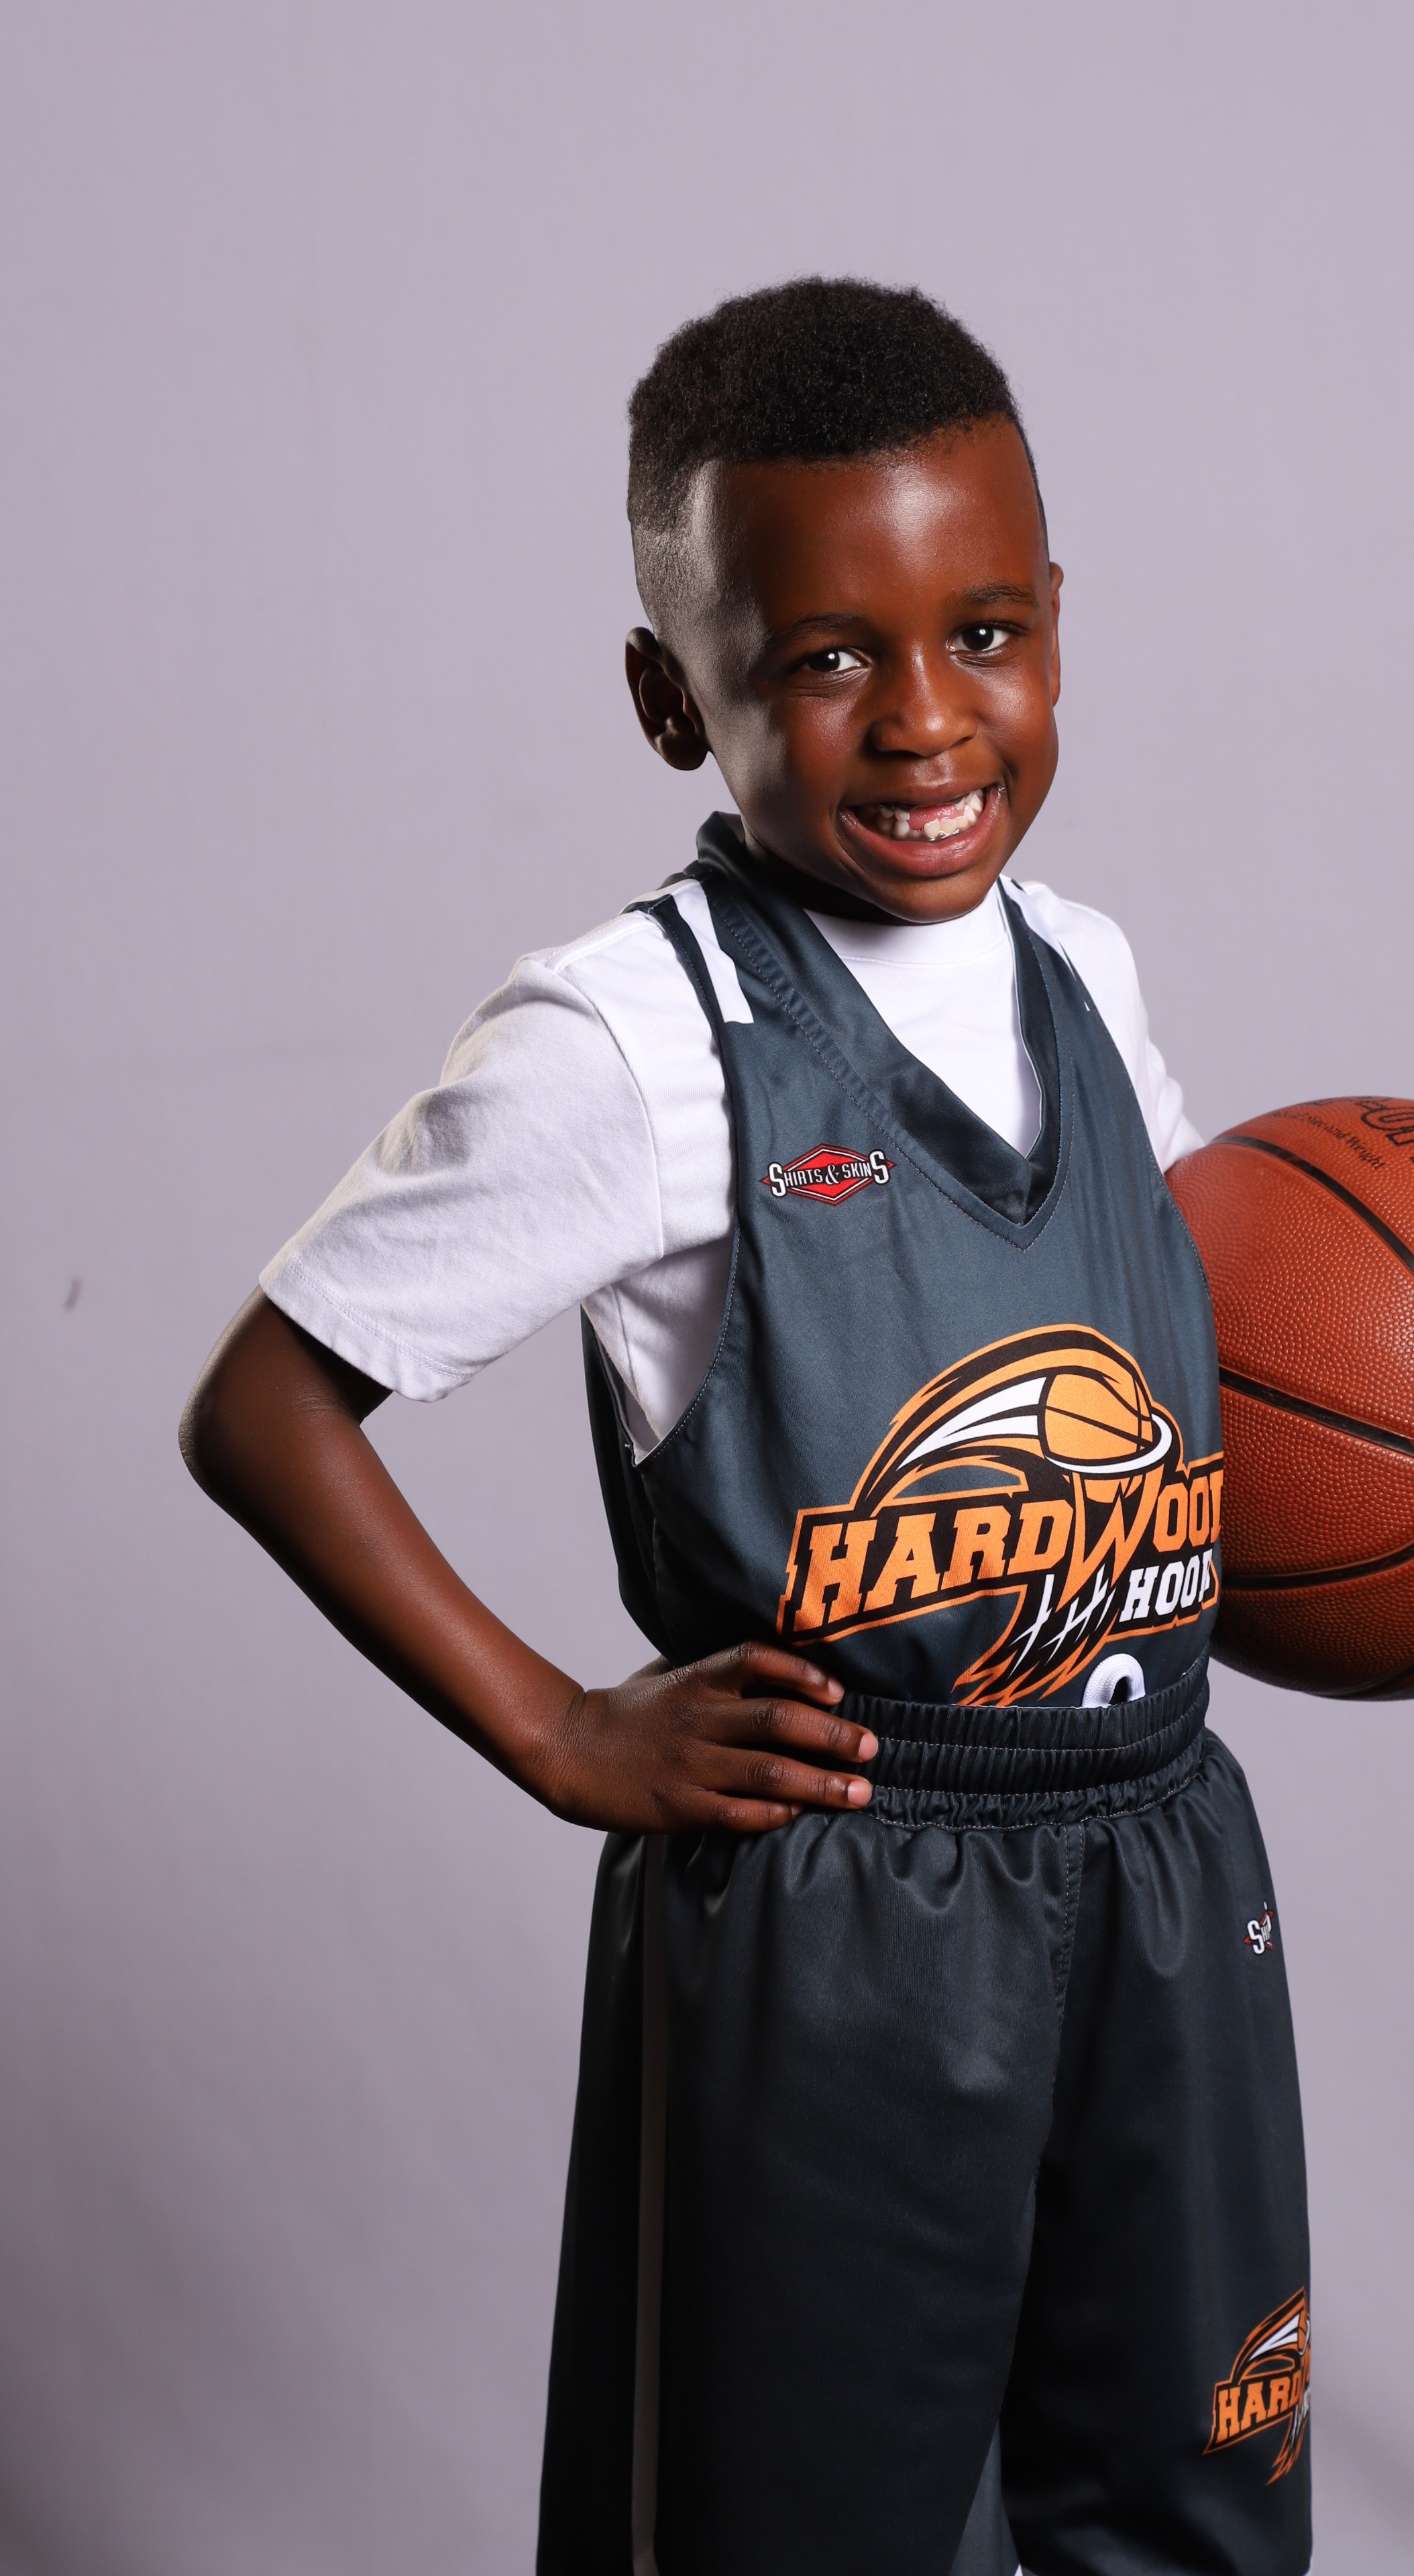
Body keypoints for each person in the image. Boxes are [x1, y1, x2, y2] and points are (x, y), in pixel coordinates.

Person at [181, 278, 1311, 2576]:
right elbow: (263, 1408)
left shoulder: (1086, 974)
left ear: (1058, 621)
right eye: (822, 659)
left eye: (983, 634)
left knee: (1193, 2518)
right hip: (850, 1907)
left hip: (1161, 1858)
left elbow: (1195, 1408)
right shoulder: (636, 1040)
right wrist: (557, 1730)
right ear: (668, 697)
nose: (926, 721)